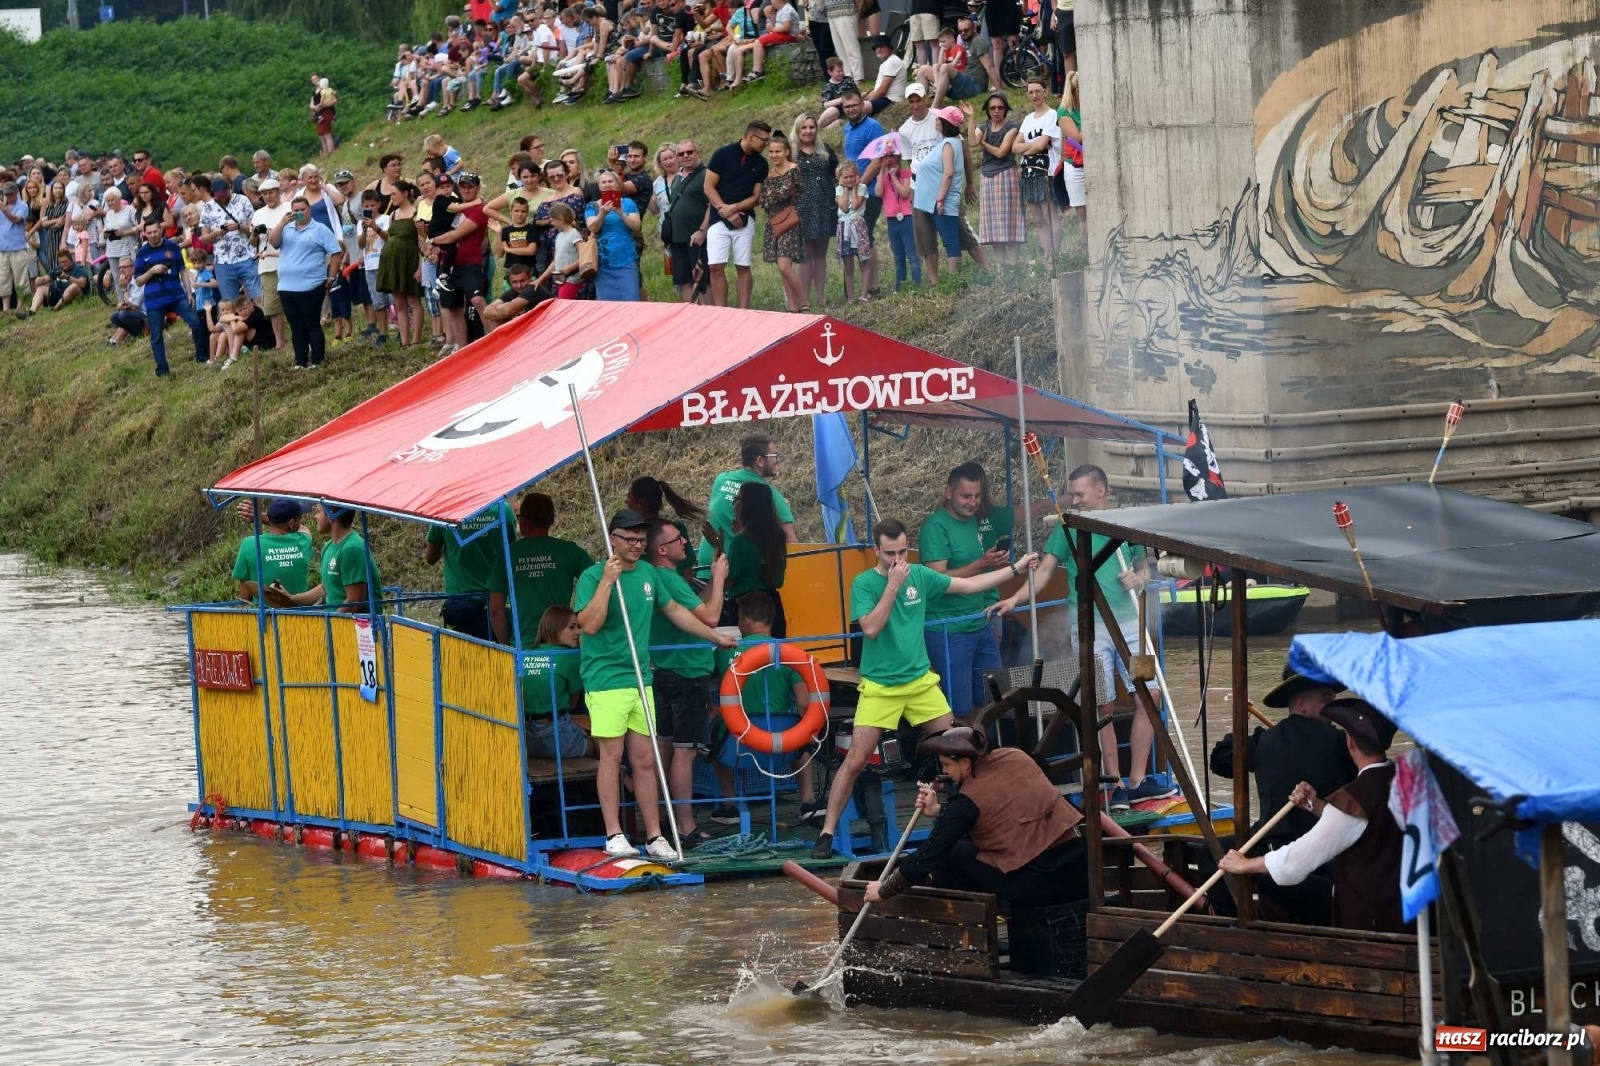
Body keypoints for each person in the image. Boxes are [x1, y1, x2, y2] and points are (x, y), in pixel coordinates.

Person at [811, 518, 1038, 858]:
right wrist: (892, 586)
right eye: (890, 553)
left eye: (903, 552)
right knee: (856, 760)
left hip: (919, 682)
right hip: (881, 685)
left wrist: (1015, 570)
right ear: (876, 550)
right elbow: (870, 628)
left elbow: (968, 585)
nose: (897, 559)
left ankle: (985, 816)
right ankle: (827, 833)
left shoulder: (919, 575)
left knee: (963, 746)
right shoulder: (864, 583)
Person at [992, 463, 1174, 811]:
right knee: (1101, 703)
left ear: (1101, 491)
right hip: (1090, 629)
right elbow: (1044, 572)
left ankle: (1138, 781)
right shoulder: (1068, 528)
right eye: (1072, 495)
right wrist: (1014, 600)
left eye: (1079, 494)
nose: (1073, 500)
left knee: (1150, 695)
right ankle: (1114, 784)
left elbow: (1144, 567)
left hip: (1132, 626)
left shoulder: (1126, 525)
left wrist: (1140, 578)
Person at [575, 509, 737, 859]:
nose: (637, 545)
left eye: (641, 540)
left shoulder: (648, 572)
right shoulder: (593, 576)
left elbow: (675, 610)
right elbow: (589, 624)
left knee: (646, 759)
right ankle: (613, 833)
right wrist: (607, 582)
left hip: (641, 678)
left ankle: (654, 835)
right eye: (630, 540)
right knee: (612, 756)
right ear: (613, 539)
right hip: (606, 679)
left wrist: (714, 637)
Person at [1219, 699, 1408, 934]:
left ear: (1350, 742)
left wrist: (1245, 864)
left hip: (1369, 916)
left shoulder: (1355, 798)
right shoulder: (1402, 781)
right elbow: (1363, 824)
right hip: (1403, 905)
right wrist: (1315, 805)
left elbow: (1296, 862)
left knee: (1273, 884)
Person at [1202, 665, 1357, 923]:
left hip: (1276, 845)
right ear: (1302, 704)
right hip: (1318, 847)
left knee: (1211, 852)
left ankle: (1231, 921)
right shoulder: (1343, 743)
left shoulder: (1264, 741)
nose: (1333, 709)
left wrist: (1237, 723)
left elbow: (1221, 760)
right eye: (1326, 700)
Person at [864, 726, 1087, 906]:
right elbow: (998, 810)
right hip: (1077, 868)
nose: (945, 772)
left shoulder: (966, 800)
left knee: (949, 853)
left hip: (1039, 882)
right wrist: (938, 810)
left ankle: (962, 927)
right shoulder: (1016, 757)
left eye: (947, 765)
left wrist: (884, 890)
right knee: (963, 844)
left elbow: (929, 854)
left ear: (965, 762)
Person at [645, 518, 728, 847]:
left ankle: (663, 819)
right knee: (685, 751)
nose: (685, 543)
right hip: (687, 672)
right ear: (662, 549)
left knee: (666, 747)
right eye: (678, 539)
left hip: (664, 670)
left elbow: (698, 608)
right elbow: (711, 617)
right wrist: (719, 578)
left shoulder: (660, 577)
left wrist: (712, 582)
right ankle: (686, 826)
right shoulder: (669, 578)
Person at [919, 462, 1018, 722]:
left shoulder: (973, 521)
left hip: (980, 621)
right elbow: (938, 579)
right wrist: (982, 563)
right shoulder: (935, 527)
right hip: (948, 628)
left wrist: (990, 564)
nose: (973, 502)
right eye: (966, 496)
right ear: (948, 493)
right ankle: (959, 748)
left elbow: (976, 573)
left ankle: (981, 746)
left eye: (977, 496)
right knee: (958, 708)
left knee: (992, 699)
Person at [716, 589, 823, 825]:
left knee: (713, 737)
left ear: (745, 619)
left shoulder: (725, 654)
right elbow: (805, 702)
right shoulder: (791, 654)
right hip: (783, 744)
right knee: (803, 734)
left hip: (737, 745)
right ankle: (807, 801)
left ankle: (730, 804)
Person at [489, 492, 594, 649]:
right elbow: (598, 581)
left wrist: (507, 647)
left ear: (524, 521)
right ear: (551, 521)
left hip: (524, 648)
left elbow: (495, 609)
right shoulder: (570, 551)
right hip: (563, 646)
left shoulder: (507, 554)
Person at [698, 433, 797, 569]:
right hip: (734, 570)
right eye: (775, 455)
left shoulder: (721, 480)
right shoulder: (769, 494)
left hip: (705, 565)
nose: (778, 459)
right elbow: (791, 543)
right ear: (760, 461)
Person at [268, 195, 344, 369]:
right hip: (286, 286)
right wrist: (282, 223)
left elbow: (336, 252)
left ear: (309, 209)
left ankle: (317, 359)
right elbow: (273, 241)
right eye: (296, 210)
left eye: (302, 209)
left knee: (311, 324)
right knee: (296, 326)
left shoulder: (320, 229)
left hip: (311, 285)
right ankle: (300, 361)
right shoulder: (286, 228)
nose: (299, 213)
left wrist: (331, 276)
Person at [703, 122, 771, 309]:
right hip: (718, 218)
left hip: (745, 218)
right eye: (764, 140)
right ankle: (721, 311)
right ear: (751, 137)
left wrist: (733, 208)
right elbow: (708, 186)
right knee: (715, 266)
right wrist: (724, 210)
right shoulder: (722, 154)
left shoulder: (761, 163)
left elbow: (757, 197)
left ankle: (743, 310)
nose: (766, 144)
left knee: (743, 265)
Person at [424, 502, 513, 642]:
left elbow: (430, 558)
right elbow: (511, 550)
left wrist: (448, 544)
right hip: (497, 605)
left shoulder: (444, 510)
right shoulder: (503, 510)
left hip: (460, 607)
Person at [132, 219, 210, 377]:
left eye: (155, 231)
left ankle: (202, 357)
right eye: (149, 233)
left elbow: (183, 270)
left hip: (176, 296)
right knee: (156, 336)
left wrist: (189, 293)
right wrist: (152, 271)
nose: (153, 235)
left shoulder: (172, 247)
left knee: (196, 322)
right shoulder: (142, 253)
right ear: (145, 234)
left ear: (161, 230)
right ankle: (162, 370)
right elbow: (138, 281)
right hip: (154, 301)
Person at [519, 605, 593, 758]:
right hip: (556, 733)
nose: (578, 632)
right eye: (572, 627)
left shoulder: (524, 655)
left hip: (524, 734)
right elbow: (572, 704)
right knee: (602, 741)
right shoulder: (570, 657)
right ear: (555, 628)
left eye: (578, 627)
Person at [279, 504, 384, 613]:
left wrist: (329, 621)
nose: (315, 516)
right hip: (335, 618)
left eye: (318, 512)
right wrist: (291, 598)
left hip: (355, 622)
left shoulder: (351, 549)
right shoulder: (328, 547)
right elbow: (325, 588)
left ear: (331, 515)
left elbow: (354, 602)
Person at [911, 105, 972, 283]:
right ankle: (954, 278)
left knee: (950, 239)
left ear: (946, 123)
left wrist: (939, 198)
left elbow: (948, 172)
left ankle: (954, 279)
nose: (935, 121)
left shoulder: (948, 144)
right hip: (936, 196)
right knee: (950, 238)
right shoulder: (951, 142)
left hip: (943, 198)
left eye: (939, 119)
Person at [722, 480, 789, 633]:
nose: (733, 503)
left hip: (744, 609)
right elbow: (778, 581)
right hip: (772, 608)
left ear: (748, 505)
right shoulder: (778, 538)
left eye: (737, 499)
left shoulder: (741, 542)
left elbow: (729, 579)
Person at [972, 93, 1024, 266]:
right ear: (987, 110)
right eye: (992, 108)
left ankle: (1014, 266)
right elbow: (972, 141)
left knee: (1011, 223)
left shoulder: (1013, 126)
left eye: (1000, 107)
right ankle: (1001, 269)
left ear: (1006, 109)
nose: (996, 111)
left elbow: (1001, 152)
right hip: (987, 177)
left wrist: (983, 144)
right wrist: (970, 117)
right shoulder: (983, 126)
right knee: (994, 227)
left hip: (1007, 175)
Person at [791, 113, 837, 308]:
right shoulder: (791, 153)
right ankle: (805, 299)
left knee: (820, 253)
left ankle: (820, 296)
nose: (808, 131)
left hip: (825, 206)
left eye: (811, 127)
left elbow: (837, 173)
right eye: (804, 127)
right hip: (802, 208)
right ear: (798, 130)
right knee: (806, 254)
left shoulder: (825, 150)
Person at [232, 499, 315, 605]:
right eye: (299, 520)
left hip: (264, 613)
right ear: (291, 523)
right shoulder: (303, 541)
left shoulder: (250, 544)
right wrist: (261, 517)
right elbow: (304, 530)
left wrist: (258, 517)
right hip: (299, 614)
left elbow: (246, 591)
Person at [1015, 77, 1062, 262]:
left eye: (1037, 91)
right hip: (1028, 172)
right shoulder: (1028, 119)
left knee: (1050, 214)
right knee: (1038, 219)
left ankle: (1055, 256)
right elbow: (1015, 147)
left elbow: (1043, 145)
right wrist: (1033, 146)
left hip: (1046, 171)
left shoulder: (1052, 115)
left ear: (1045, 92)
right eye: (1031, 92)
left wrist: (1027, 147)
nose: (1034, 95)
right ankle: (1046, 254)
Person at [760, 131, 807, 312]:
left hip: (789, 221)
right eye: (771, 152)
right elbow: (763, 201)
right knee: (782, 269)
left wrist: (772, 194)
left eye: (778, 151)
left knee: (785, 266)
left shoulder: (793, 170)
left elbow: (784, 193)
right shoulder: (769, 174)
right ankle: (792, 307)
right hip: (774, 224)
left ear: (786, 151)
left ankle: (805, 303)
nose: (774, 155)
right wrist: (773, 195)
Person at [199, 176, 259, 303]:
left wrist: (238, 227)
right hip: (223, 262)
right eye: (218, 196)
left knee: (258, 297)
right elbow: (204, 239)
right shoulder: (208, 207)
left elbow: (253, 230)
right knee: (230, 303)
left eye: (224, 195)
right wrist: (216, 233)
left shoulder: (242, 200)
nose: (221, 198)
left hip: (247, 256)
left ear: (229, 188)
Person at [664, 140, 710, 303]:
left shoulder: (706, 175)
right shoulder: (677, 179)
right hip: (677, 239)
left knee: (703, 281)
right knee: (683, 281)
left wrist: (702, 230)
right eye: (681, 153)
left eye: (689, 152)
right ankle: (689, 314)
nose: (686, 156)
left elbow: (712, 205)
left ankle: (709, 314)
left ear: (697, 153)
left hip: (697, 238)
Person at [585, 170, 642, 301]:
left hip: (626, 260)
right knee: (607, 304)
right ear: (599, 186)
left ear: (617, 184)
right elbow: (592, 227)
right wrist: (602, 214)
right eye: (603, 182)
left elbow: (636, 226)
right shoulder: (592, 206)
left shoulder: (628, 203)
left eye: (610, 181)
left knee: (631, 300)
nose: (607, 185)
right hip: (603, 262)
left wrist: (621, 213)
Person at [250, 179, 289, 350]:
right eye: (264, 194)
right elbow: (253, 243)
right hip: (266, 263)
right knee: (272, 305)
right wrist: (254, 234)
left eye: (271, 192)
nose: (268, 196)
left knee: (292, 301)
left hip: (288, 260)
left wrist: (273, 229)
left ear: (278, 192)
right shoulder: (258, 214)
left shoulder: (288, 207)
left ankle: (298, 335)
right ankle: (280, 342)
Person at [0, 180, 36, 312]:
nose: (8, 197)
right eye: (6, 194)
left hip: (18, 248)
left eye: (10, 194)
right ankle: (6, 309)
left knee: (20, 279)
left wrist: (5, 210)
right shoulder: (3, 205)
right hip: (2, 249)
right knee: (3, 279)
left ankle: (20, 307)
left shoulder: (23, 206)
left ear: (16, 193)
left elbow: (16, 220)